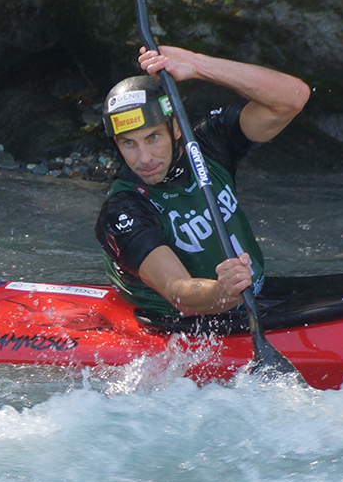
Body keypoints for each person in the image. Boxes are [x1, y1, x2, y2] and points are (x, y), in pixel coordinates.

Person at [93, 45, 311, 326]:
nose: (144, 158)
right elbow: (177, 291)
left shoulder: (208, 146)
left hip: (253, 298)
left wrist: (198, 65)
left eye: (153, 137)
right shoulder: (123, 210)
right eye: (128, 143)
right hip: (180, 324)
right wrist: (223, 291)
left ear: (175, 128)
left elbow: (292, 98)